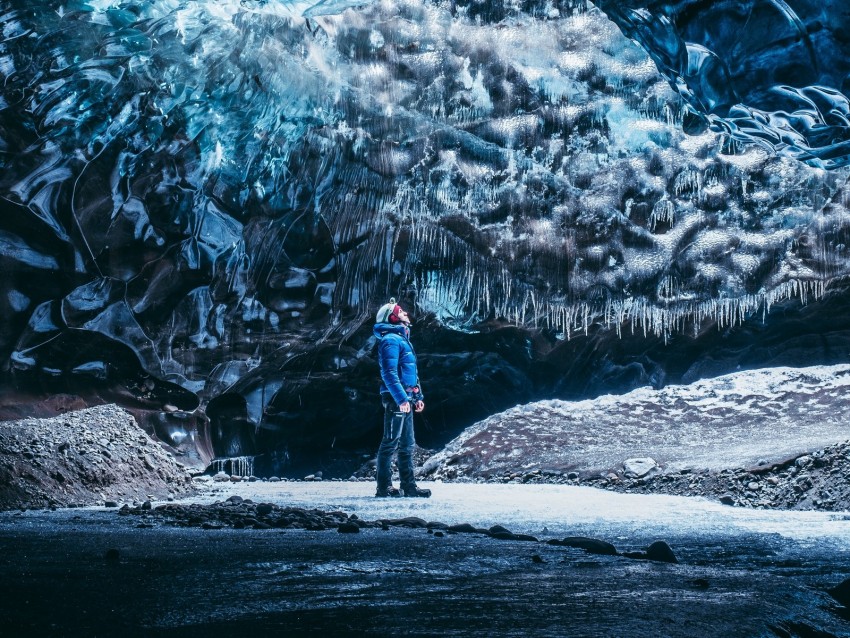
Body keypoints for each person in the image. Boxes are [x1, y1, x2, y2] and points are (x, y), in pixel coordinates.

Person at [373, 298, 431, 498]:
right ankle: (384, 487)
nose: (406, 312)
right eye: (401, 311)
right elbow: (389, 373)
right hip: (396, 398)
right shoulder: (390, 340)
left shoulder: (403, 339)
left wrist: (417, 396)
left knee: (407, 444)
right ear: (392, 316)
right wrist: (401, 399)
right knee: (390, 442)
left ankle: (409, 486)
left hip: (405, 398)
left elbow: (410, 373)